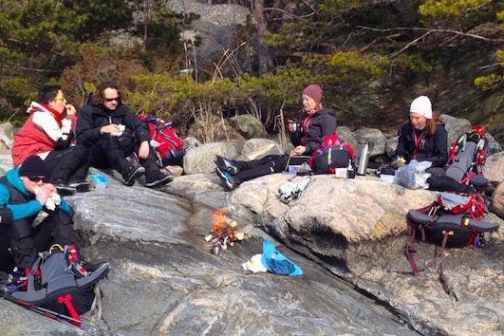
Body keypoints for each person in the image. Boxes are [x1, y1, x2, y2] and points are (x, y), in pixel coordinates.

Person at [215, 84, 337, 190]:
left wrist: (306, 149)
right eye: (303, 99)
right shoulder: (307, 117)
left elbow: (326, 146)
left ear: (316, 100)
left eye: (307, 99)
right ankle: (236, 166)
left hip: (314, 163)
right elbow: (298, 143)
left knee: (277, 164)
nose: (304, 102)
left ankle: (236, 179)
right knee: (269, 158)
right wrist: (294, 133)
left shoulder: (327, 119)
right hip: (305, 156)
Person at [76, 81, 172, 187]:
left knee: (138, 137)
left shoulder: (122, 110)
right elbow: (81, 137)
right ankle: (127, 171)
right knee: (107, 137)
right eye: (109, 100)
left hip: (119, 151)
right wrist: (102, 129)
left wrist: (144, 141)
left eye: (116, 99)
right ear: (100, 99)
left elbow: (139, 125)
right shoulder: (88, 111)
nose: (114, 102)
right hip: (96, 154)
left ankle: (153, 174)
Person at [0, 156, 81, 276]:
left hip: (27, 244)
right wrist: (37, 204)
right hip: (6, 247)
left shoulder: (39, 187)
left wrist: (57, 199)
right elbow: (3, 214)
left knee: (59, 213)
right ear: (22, 177)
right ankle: (30, 273)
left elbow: (69, 213)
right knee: (17, 220)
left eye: (43, 179)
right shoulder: (4, 187)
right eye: (34, 178)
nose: (39, 182)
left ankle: (71, 257)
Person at [11, 85, 90, 195]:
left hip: (42, 156)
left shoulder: (53, 116)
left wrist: (70, 119)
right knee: (78, 150)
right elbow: (62, 143)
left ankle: (75, 180)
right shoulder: (41, 115)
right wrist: (68, 119)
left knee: (86, 148)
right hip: (29, 162)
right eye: (62, 99)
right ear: (51, 102)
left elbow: (72, 139)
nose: (65, 102)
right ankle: (57, 181)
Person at [396, 96, 448, 169]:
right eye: (411, 117)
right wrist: (400, 162)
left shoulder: (439, 131)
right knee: (393, 168)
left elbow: (442, 157)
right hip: (409, 164)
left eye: (417, 118)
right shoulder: (406, 128)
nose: (413, 121)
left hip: (428, 166)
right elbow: (401, 150)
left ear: (426, 117)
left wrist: (421, 163)